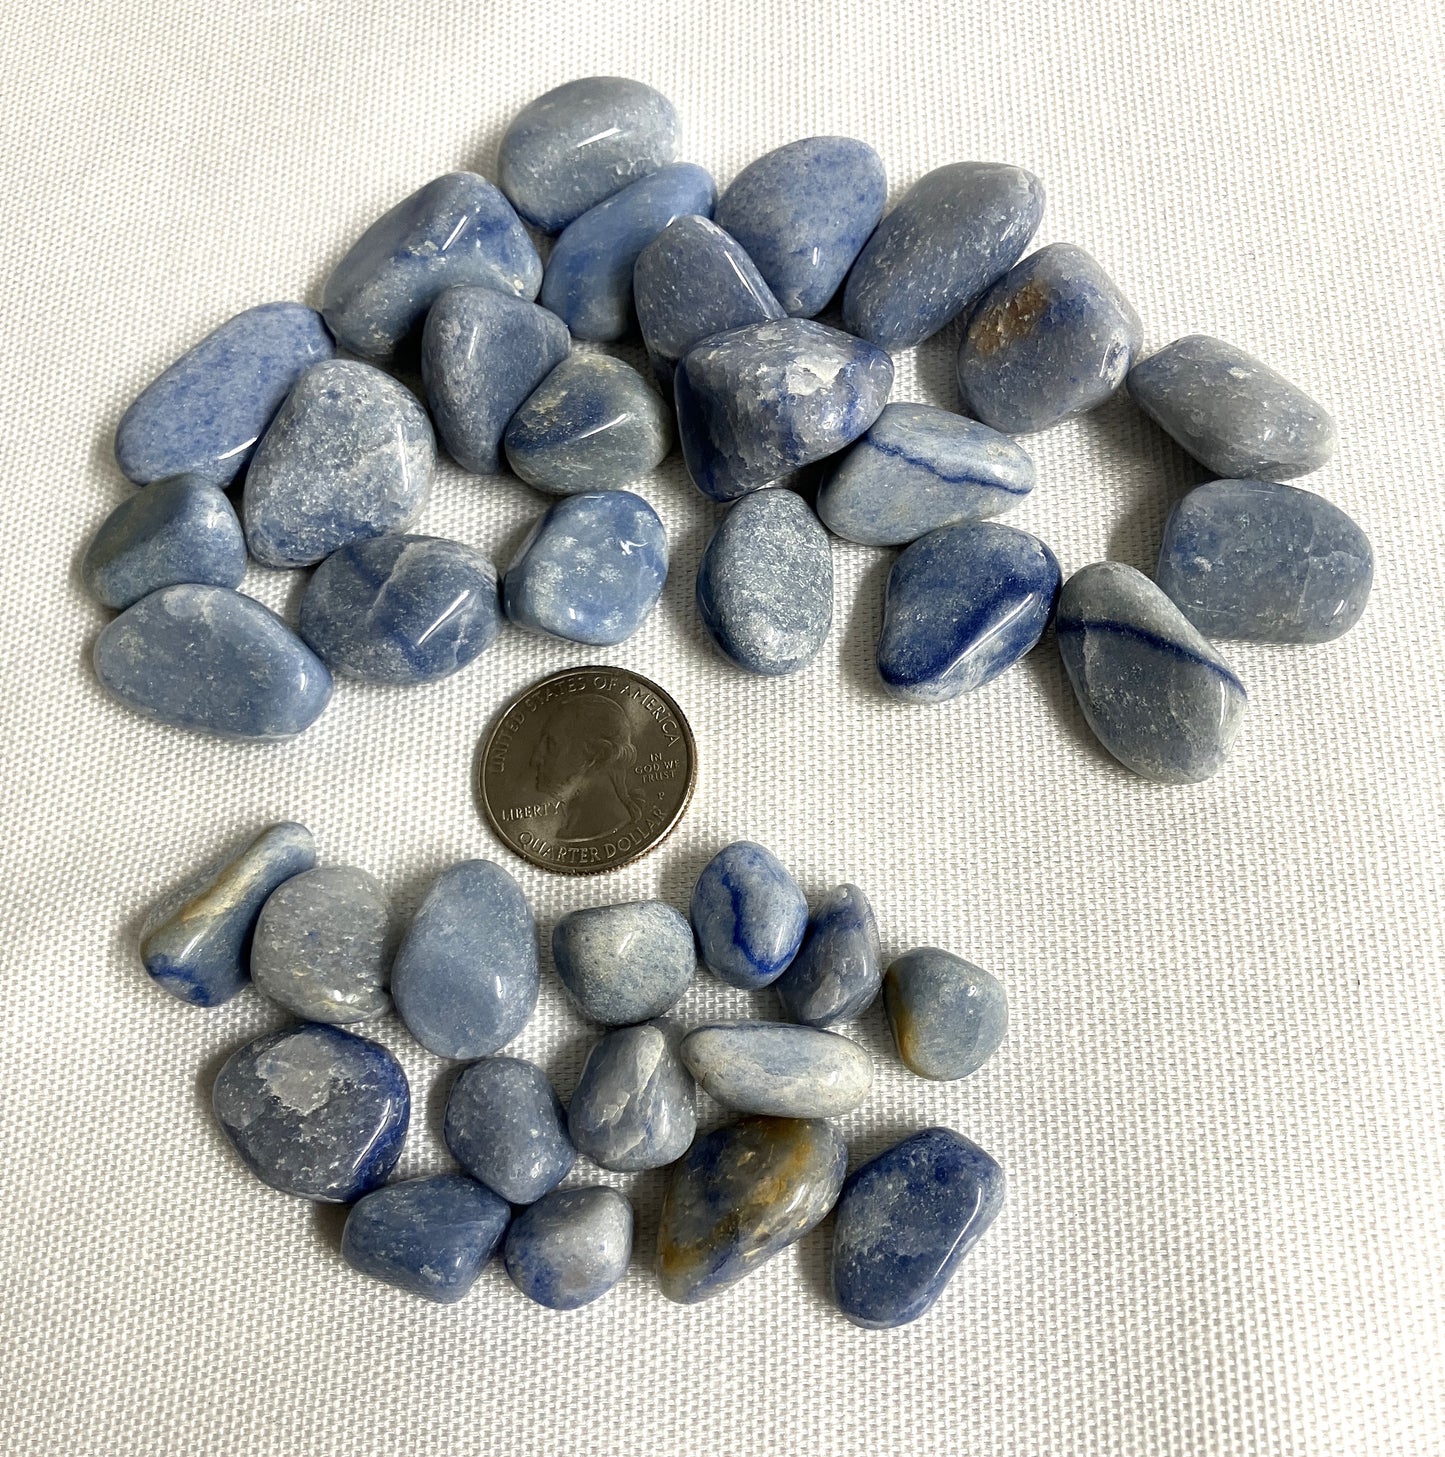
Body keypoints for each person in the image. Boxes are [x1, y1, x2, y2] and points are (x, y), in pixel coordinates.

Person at [529, 694, 648, 842]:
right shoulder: (571, 825)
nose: (535, 760)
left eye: (551, 745)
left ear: (599, 755)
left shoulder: (605, 822)